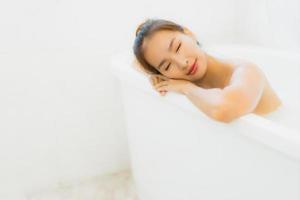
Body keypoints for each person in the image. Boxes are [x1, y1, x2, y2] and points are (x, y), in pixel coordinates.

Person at [133, 18, 282, 123]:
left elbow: (222, 110)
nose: (182, 63)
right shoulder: (187, 79)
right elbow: (134, 64)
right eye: (167, 66)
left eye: (177, 47)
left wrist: (185, 88)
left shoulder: (246, 71)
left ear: (189, 33)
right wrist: (153, 75)